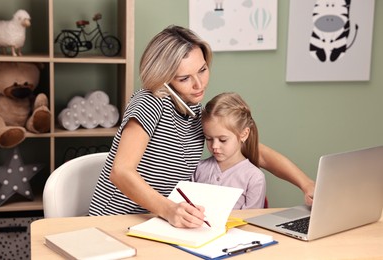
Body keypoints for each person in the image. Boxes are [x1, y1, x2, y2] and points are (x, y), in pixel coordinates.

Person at [89, 25, 315, 228]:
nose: (199, 84)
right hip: (116, 221)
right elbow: (121, 172)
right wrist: (169, 209)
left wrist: (306, 184)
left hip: (161, 223)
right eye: (185, 78)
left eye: (202, 70)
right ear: (164, 78)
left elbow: (255, 152)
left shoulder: (194, 111)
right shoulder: (150, 102)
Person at [193, 92, 266, 209]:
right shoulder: (198, 168)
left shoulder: (254, 177)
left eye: (223, 140)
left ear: (244, 134)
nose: (214, 146)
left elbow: (252, 219)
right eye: (209, 139)